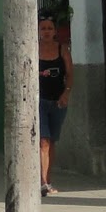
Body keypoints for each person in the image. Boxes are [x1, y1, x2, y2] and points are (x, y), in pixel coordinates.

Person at [37, 13, 72, 197]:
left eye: (50, 28)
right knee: (43, 141)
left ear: (55, 31)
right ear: (38, 30)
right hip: (39, 102)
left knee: (52, 142)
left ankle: (48, 180)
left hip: (58, 102)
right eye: (43, 28)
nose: (47, 31)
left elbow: (70, 74)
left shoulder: (62, 50)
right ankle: (43, 183)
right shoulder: (33, 49)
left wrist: (66, 93)